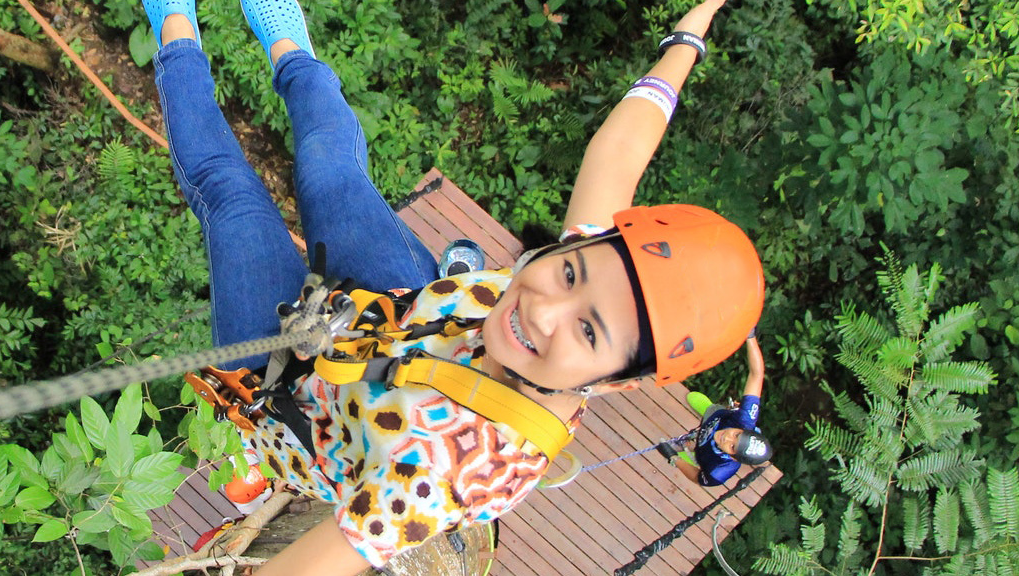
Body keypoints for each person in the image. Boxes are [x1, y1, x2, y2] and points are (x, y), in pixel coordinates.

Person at [143, 0, 757, 572]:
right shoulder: (591, 277)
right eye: (569, 271)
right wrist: (689, 36)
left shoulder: (451, 469)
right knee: (331, 170)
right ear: (577, 247)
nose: (546, 308)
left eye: (588, 329)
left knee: (232, 199)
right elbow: (620, 150)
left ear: (620, 377)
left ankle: (173, 25)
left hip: (296, 399)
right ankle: (291, 51)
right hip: (399, 307)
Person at [660, 337, 772, 487]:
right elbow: (756, 375)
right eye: (737, 434)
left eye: (732, 447)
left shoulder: (719, 471)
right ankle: (705, 408)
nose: (727, 438)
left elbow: (697, 477)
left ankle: (691, 447)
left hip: (704, 453)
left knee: (698, 453)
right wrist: (750, 337)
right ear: (744, 429)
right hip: (716, 417)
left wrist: (674, 459)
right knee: (711, 410)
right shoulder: (746, 419)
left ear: (735, 459)